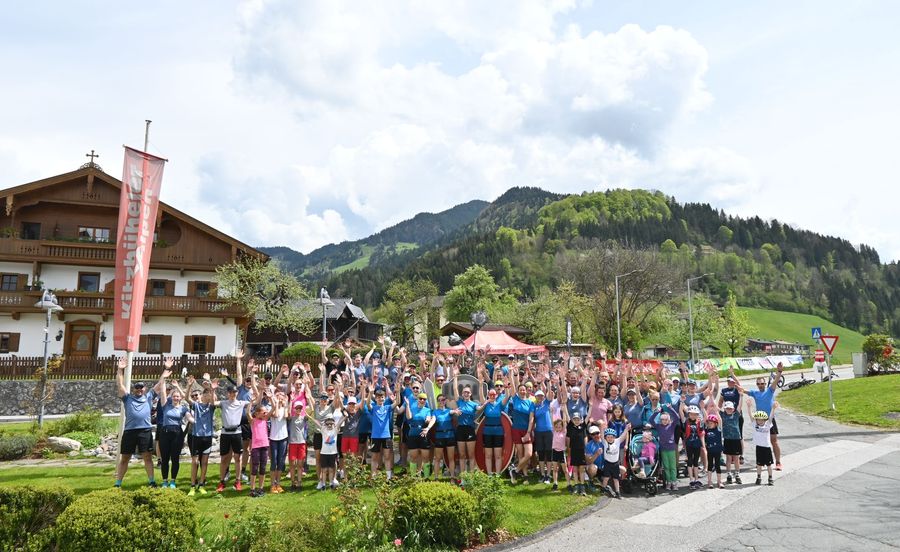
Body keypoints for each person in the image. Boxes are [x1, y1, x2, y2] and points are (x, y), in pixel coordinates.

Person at [114, 357, 168, 488]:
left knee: (147, 457)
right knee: (125, 458)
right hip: (130, 431)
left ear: (145, 388)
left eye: (141, 387)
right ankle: (118, 483)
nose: (139, 389)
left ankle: (151, 481)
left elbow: (160, 385)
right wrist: (120, 369)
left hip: (145, 431)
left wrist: (166, 369)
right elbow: (120, 385)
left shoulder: (149, 396)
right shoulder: (127, 398)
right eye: (136, 387)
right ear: (133, 389)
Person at [742, 363, 784, 470]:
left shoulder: (770, 390)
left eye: (762, 383)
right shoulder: (754, 393)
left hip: (770, 419)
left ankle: (778, 462)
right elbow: (742, 389)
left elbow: (776, 381)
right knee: (760, 443)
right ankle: (760, 462)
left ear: (765, 383)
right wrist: (733, 377)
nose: (760, 385)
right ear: (756, 384)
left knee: (774, 441)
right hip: (759, 421)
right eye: (758, 383)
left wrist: (779, 372)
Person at [214, 383, 251, 493]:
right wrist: (212, 390)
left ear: (237, 393)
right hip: (225, 433)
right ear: (227, 393)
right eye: (230, 392)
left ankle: (237, 481)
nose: (232, 394)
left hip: (237, 432)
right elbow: (212, 403)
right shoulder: (223, 403)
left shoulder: (241, 403)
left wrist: (259, 389)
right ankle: (222, 481)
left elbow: (255, 402)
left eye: (234, 392)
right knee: (224, 458)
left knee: (237, 458)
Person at [156, 361, 187, 489]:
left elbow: (184, 395)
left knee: (175, 458)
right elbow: (162, 391)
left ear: (179, 398)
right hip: (165, 433)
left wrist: (177, 386)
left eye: (177, 396)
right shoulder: (165, 405)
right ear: (171, 397)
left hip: (177, 434)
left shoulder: (183, 407)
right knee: (165, 458)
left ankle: (173, 481)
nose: (175, 398)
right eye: (174, 396)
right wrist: (164, 375)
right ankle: (164, 481)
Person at [184, 375, 215, 496]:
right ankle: (192, 486)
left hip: (207, 437)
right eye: (206, 394)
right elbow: (187, 398)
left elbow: (213, 398)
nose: (207, 396)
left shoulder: (211, 407)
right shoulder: (196, 405)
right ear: (202, 396)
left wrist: (211, 387)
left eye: (208, 394)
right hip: (196, 437)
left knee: (205, 462)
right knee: (195, 462)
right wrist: (189, 385)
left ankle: (201, 484)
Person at [363, 383, 399, 479]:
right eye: (378, 397)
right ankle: (374, 477)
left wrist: (398, 392)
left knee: (387, 457)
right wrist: (370, 393)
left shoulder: (387, 408)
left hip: (386, 436)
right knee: (375, 457)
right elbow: (367, 404)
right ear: (376, 399)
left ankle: (388, 477)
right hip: (375, 436)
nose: (380, 399)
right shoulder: (374, 408)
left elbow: (397, 402)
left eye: (382, 397)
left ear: (384, 398)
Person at [507, 369, 535, 484]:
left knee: (529, 454)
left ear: (526, 391)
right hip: (516, 430)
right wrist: (511, 373)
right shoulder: (515, 399)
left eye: (524, 390)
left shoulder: (530, 402)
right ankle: (525, 475)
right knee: (520, 454)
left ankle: (515, 470)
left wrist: (528, 432)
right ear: (518, 391)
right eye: (521, 390)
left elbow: (531, 418)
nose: (523, 391)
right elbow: (513, 385)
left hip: (526, 430)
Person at [288, 376, 313, 491]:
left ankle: (299, 483)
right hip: (293, 443)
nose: (298, 409)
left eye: (300, 408)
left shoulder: (304, 417)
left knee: (300, 465)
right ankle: (292, 483)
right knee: (292, 464)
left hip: (302, 443)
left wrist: (308, 398)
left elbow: (311, 410)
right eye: (296, 408)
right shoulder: (291, 417)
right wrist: (291, 401)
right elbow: (289, 412)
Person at [402, 392, 435, 477]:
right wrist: (408, 405)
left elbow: (428, 419)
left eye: (424, 399)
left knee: (425, 457)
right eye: (420, 399)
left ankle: (426, 477)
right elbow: (409, 417)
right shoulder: (412, 408)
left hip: (423, 434)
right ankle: (413, 477)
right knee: (413, 457)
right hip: (413, 434)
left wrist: (428, 420)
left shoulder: (427, 410)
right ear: (418, 400)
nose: (422, 400)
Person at [451, 384, 480, 478]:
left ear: (470, 394)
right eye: (464, 392)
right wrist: (455, 377)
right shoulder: (459, 402)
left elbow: (480, 408)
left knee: (471, 455)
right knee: (462, 455)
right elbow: (455, 389)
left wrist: (487, 402)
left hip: (470, 429)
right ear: (462, 394)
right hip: (460, 429)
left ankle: (471, 477)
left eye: (468, 392)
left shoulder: (474, 404)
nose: (466, 394)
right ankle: (463, 477)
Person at [477, 387, 506, 476]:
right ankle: (489, 474)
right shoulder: (485, 404)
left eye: (494, 395)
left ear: (496, 396)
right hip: (487, 432)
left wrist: (507, 386)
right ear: (488, 395)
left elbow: (507, 397)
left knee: (498, 455)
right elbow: (481, 395)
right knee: (488, 455)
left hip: (498, 431)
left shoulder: (499, 404)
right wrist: (481, 384)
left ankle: (497, 474)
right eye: (490, 395)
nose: (492, 396)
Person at [248, 398, 271, 498]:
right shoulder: (253, 421)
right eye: (263, 412)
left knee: (263, 467)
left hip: (265, 446)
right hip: (256, 447)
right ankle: (252, 489)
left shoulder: (265, 420)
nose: (265, 414)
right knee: (255, 468)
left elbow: (273, 408)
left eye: (266, 412)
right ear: (257, 413)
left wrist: (270, 398)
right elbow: (247, 412)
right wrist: (251, 402)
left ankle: (261, 488)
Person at [432, 394, 458, 482]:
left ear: (445, 401)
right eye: (439, 400)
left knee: (451, 458)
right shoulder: (435, 412)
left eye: (443, 399)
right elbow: (433, 419)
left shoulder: (449, 410)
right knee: (437, 459)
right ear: (437, 402)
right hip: (439, 437)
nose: (441, 401)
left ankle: (452, 478)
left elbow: (452, 412)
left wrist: (455, 411)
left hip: (450, 436)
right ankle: (436, 478)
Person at [599, 426, 630, 498]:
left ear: (614, 437)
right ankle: (603, 489)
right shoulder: (605, 443)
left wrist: (626, 429)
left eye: (611, 437)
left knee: (616, 479)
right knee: (606, 477)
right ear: (606, 438)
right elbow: (602, 435)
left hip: (615, 463)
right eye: (608, 437)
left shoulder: (617, 441)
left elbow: (623, 436)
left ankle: (617, 492)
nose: (610, 438)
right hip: (607, 463)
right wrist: (602, 429)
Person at [268, 391, 289, 494]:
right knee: (273, 462)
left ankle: (278, 483)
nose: (279, 397)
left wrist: (285, 404)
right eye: (277, 395)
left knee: (281, 462)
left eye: (281, 395)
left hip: (283, 438)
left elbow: (286, 416)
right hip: (273, 438)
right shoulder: (271, 408)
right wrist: (276, 403)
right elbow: (275, 415)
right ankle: (272, 484)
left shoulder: (284, 408)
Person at [533, 389, 554, 484]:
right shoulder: (533, 406)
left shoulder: (546, 403)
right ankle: (542, 474)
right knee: (541, 454)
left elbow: (549, 394)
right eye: (538, 396)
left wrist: (548, 382)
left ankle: (548, 475)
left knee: (549, 454)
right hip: (538, 432)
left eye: (541, 396)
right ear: (536, 397)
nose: (540, 397)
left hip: (548, 431)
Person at [682, 404, 706, 489]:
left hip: (697, 443)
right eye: (691, 414)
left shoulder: (699, 422)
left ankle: (696, 479)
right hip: (689, 444)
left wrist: (703, 445)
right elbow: (681, 413)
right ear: (689, 414)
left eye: (695, 414)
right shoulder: (686, 422)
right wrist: (682, 403)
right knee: (690, 461)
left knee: (696, 461)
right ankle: (691, 480)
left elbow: (702, 433)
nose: (693, 415)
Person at [752, 408, 777, 486]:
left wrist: (773, 408)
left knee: (769, 465)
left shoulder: (767, 425)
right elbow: (750, 416)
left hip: (766, 448)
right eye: (758, 420)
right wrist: (749, 407)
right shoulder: (755, 425)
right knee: (759, 464)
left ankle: (770, 478)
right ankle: (758, 477)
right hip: (759, 447)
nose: (760, 421)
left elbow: (771, 417)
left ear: (765, 420)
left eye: (761, 420)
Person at [721, 401, 743, 484]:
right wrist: (711, 396)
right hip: (727, 439)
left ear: (733, 409)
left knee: (736, 458)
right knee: (728, 458)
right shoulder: (723, 415)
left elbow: (740, 406)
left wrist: (741, 397)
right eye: (727, 408)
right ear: (725, 409)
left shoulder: (736, 415)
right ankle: (729, 474)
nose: (729, 410)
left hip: (736, 439)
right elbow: (716, 408)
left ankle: (737, 474)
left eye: (730, 408)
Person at [567, 411, 588, 495]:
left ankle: (582, 486)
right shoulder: (571, 427)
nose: (576, 421)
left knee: (582, 468)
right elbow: (567, 415)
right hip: (574, 450)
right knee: (575, 469)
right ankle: (576, 485)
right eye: (574, 419)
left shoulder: (583, 427)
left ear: (581, 420)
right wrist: (564, 405)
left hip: (582, 450)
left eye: (578, 419)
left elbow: (588, 416)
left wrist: (590, 406)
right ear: (572, 420)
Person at [704, 412, 724, 489]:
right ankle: (709, 481)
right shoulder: (706, 430)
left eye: (711, 423)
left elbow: (720, 420)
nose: (709, 424)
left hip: (717, 451)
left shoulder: (718, 430)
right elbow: (705, 419)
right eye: (708, 423)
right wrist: (703, 410)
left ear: (716, 424)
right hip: (710, 451)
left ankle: (719, 481)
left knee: (717, 466)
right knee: (710, 466)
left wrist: (716, 410)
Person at [550, 416, 570, 492]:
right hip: (554, 451)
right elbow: (552, 422)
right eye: (556, 426)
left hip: (561, 452)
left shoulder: (564, 432)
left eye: (559, 426)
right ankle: (555, 483)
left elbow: (564, 421)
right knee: (555, 469)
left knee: (565, 470)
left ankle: (568, 484)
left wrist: (564, 410)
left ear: (562, 427)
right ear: (554, 427)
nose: (558, 428)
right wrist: (551, 413)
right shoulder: (554, 431)